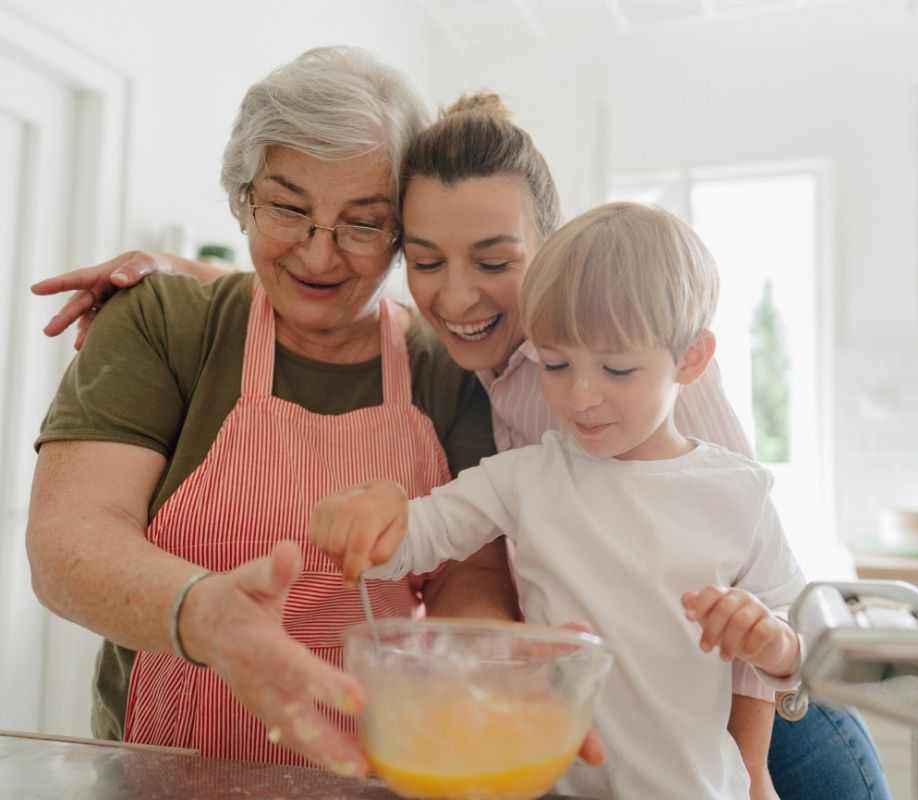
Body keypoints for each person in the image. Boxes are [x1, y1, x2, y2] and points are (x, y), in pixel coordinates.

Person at [36, 95, 890, 800]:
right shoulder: (450, 360)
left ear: (547, 249)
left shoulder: (635, 357)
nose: (456, 295)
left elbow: (737, 568)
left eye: (494, 260)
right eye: (427, 260)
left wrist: (749, 765)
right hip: (608, 724)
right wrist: (177, 272)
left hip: (759, 719)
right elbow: (324, 297)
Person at [24, 47, 527, 775]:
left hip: (379, 767)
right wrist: (206, 616)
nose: (319, 257)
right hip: (163, 767)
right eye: (288, 208)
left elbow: (471, 573)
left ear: (402, 232)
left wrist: (470, 670)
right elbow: (70, 539)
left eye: (362, 224)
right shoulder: (165, 322)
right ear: (242, 196)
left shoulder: (446, 369)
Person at [311, 201, 807, 799]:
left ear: (690, 359)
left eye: (617, 370)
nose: (580, 396)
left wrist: (773, 643)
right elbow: (418, 535)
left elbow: (802, 655)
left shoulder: (739, 493)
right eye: (555, 363)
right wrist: (374, 522)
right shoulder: (526, 478)